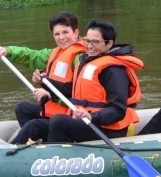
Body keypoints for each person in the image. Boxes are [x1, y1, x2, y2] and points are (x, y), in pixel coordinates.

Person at [12, 20, 144, 144]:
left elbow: (118, 110)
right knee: (34, 125)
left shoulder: (114, 70)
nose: (90, 46)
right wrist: (45, 82)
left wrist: (92, 117)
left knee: (59, 121)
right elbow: (69, 90)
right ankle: (11, 152)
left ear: (109, 44)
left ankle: (54, 159)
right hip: (87, 121)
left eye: (95, 42)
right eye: (88, 41)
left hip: (109, 128)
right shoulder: (87, 62)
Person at [0, 10, 87, 126]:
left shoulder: (81, 58)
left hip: (69, 114)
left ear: (75, 32)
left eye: (65, 32)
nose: (61, 37)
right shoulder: (55, 53)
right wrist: (8, 51)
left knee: (33, 125)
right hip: (54, 108)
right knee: (22, 108)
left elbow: (78, 93)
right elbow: (32, 56)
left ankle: (39, 137)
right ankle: (36, 140)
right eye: (57, 34)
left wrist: (49, 93)